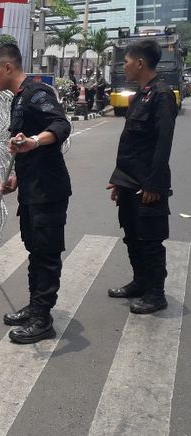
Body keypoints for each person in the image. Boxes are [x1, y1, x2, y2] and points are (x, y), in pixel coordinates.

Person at [0, 43, 72, 344]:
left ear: (7, 67)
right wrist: (16, 178)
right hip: (33, 188)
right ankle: (35, 306)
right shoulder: (20, 98)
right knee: (36, 251)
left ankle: (42, 319)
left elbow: (61, 125)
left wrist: (35, 141)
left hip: (49, 191)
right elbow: (24, 148)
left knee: (47, 253)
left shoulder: (37, 93)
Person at [106, 39, 178, 314]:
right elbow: (131, 145)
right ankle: (140, 282)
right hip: (129, 181)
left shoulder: (161, 95)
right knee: (132, 236)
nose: (123, 66)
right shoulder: (141, 94)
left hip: (147, 183)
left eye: (125, 62)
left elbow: (163, 144)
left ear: (140, 63)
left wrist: (154, 184)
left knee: (150, 240)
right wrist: (119, 179)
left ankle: (156, 294)